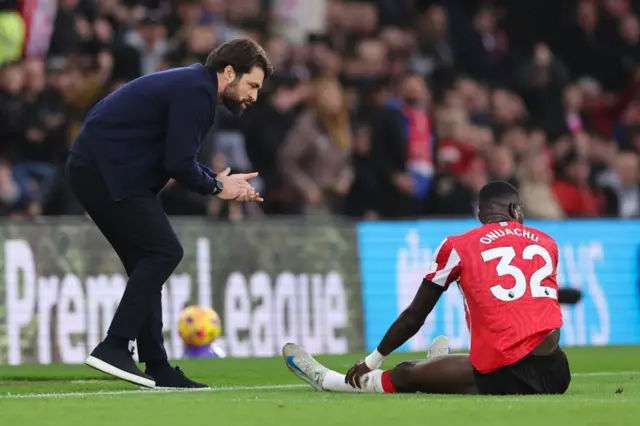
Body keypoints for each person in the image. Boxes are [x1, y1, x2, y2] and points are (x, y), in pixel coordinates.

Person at [66, 38, 273, 390]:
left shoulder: (192, 85)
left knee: (149, 259)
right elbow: (178, 163)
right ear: (228, 72)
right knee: (165, 251)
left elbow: (177, 159)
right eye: (252, 85)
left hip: (106, 170)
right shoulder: (196, 92)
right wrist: (216, 187)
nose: (253, 96)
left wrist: (214, 181)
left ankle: (156, 364)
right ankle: (114, 346)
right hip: (109, 172)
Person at [283, 180, 571, 395]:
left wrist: (373, 360)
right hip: (557, 374)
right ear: (515, 209)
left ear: (481, 216)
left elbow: (414, 317)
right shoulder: (546, 242)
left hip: (503, 375)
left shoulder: (459, 245)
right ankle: (435, 368)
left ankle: (328, 381)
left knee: (407, 373)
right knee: (482, 361)